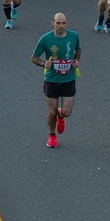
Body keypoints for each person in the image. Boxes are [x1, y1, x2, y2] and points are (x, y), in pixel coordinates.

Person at [32, 12, 81, 148]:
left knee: (66, 112)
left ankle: (61, 115)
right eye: (58, 23)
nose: (61, 26)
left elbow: (78, 50)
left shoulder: (73, 36)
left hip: (68, 79)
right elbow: (34, 57)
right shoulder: (45, 39)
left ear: (67, 24)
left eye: (63, 23)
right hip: (51, 79)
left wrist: (76, 60)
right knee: (51, 111)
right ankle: (52, 135)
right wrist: (43, 64)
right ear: (52, 23)